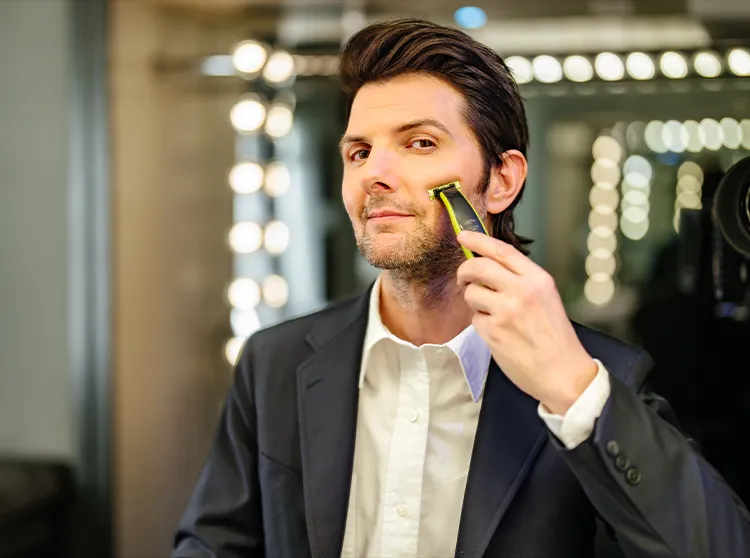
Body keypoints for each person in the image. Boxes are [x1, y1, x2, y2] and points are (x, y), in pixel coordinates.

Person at [172, 18, 750, 558]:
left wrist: (573, 390)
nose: (375, 173)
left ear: (501, 181)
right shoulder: (273, 363)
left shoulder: (603, 376)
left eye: (420, 143)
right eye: (359, 151)